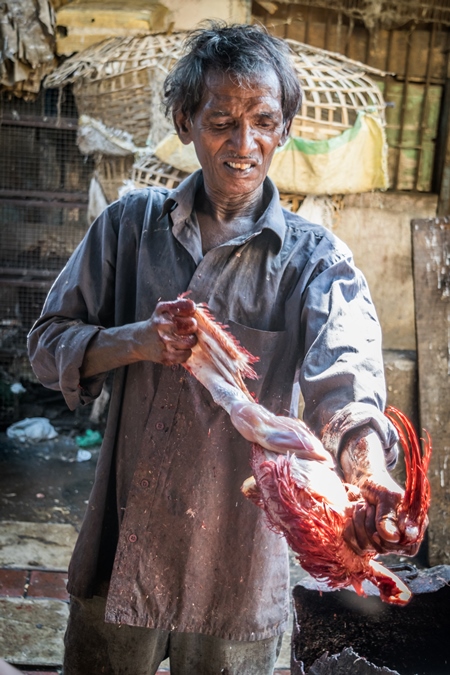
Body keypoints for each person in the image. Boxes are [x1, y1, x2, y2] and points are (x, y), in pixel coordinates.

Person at [28, 22, 418, 675]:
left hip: (236, 566)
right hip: (124, 548)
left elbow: (347, 381)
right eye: (222, 121)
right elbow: (46, 346)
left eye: (264, 121)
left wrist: (367, 471)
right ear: (184, 121)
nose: (245, 144)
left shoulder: (315, 260)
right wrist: (138, 341)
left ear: (286, 128)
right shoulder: (128, 227)